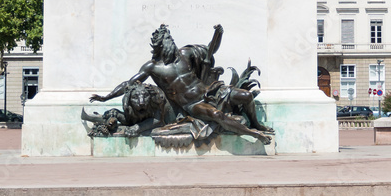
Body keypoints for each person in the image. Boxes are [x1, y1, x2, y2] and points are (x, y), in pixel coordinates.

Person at [90, 23, 272, 144]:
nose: (168, 46)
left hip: (211, 91)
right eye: (163, 44)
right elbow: (128, 84)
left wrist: (219, 34)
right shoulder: (152, 67)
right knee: (217, 115)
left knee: (246, 96)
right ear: (158, 47)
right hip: (193, 104)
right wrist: (106, 97)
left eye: (168, 42)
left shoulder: (185, 54)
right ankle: (254, 134)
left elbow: (210, 50)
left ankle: (256, 124)